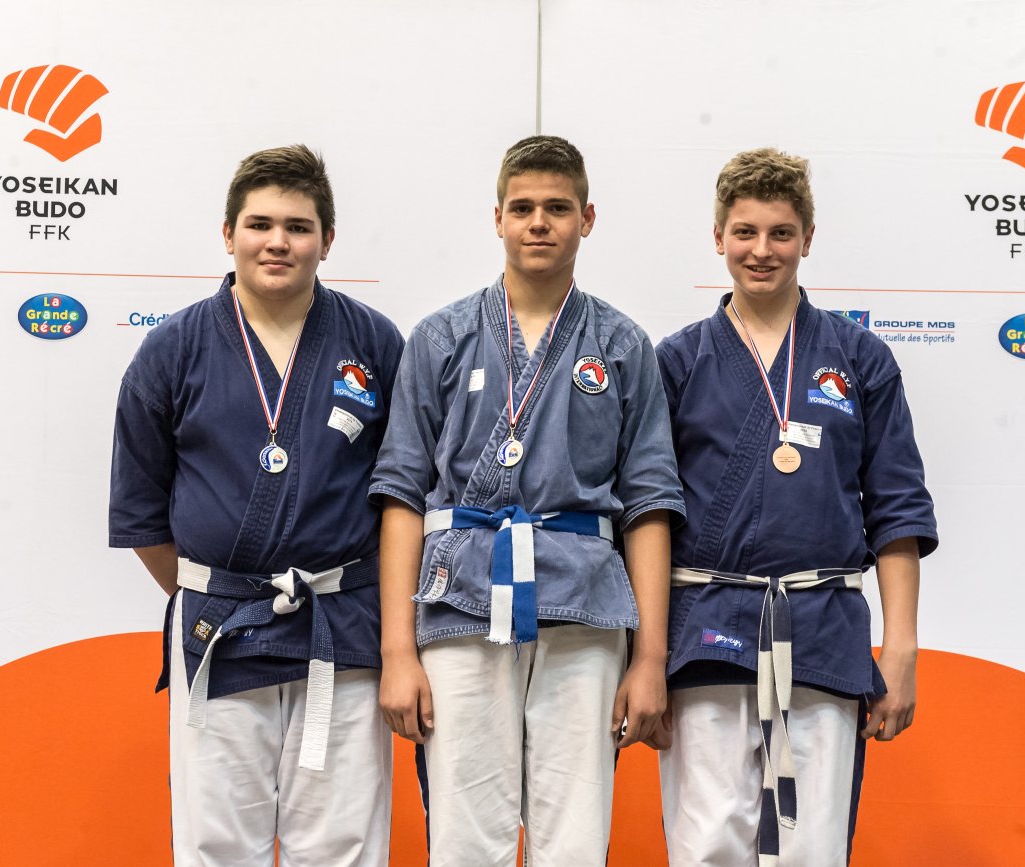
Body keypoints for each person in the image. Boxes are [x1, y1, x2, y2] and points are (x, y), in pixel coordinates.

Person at [370, 135, 684, 867]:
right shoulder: (440, 337)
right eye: (522, 208)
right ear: (498, 219)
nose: (539, 222)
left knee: (575, 835)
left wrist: (651, 658)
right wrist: (396, 650)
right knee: (464, 835)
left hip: (584, 606)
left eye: (557, 208)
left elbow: (649, 505)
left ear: (587, 218)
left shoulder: (622, 344)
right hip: (461, 600)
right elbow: (401, 496)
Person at [108, 144, 403, 866]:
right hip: (220, 630)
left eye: (299, 227)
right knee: (218, 843)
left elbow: (403, 494)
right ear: (228, 233)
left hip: (342, 625)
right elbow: (143, 514)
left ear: (326, 240)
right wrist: (217, 590)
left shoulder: (374, 341)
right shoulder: (172, 349)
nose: (278, 242)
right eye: (260, 224)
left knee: (343, 844)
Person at [656, 147, 938, 866]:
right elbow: (649, 516)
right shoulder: (679, 361)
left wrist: (900, 648)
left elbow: (897, 511)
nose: (762, 250)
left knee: (812, 843)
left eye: (781, 232)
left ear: (808, 238)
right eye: (745, 232)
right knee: (708, 839)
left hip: (822, 627)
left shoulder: (859, 357)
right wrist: (646, 653)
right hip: (708, 625)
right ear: (717, 237)